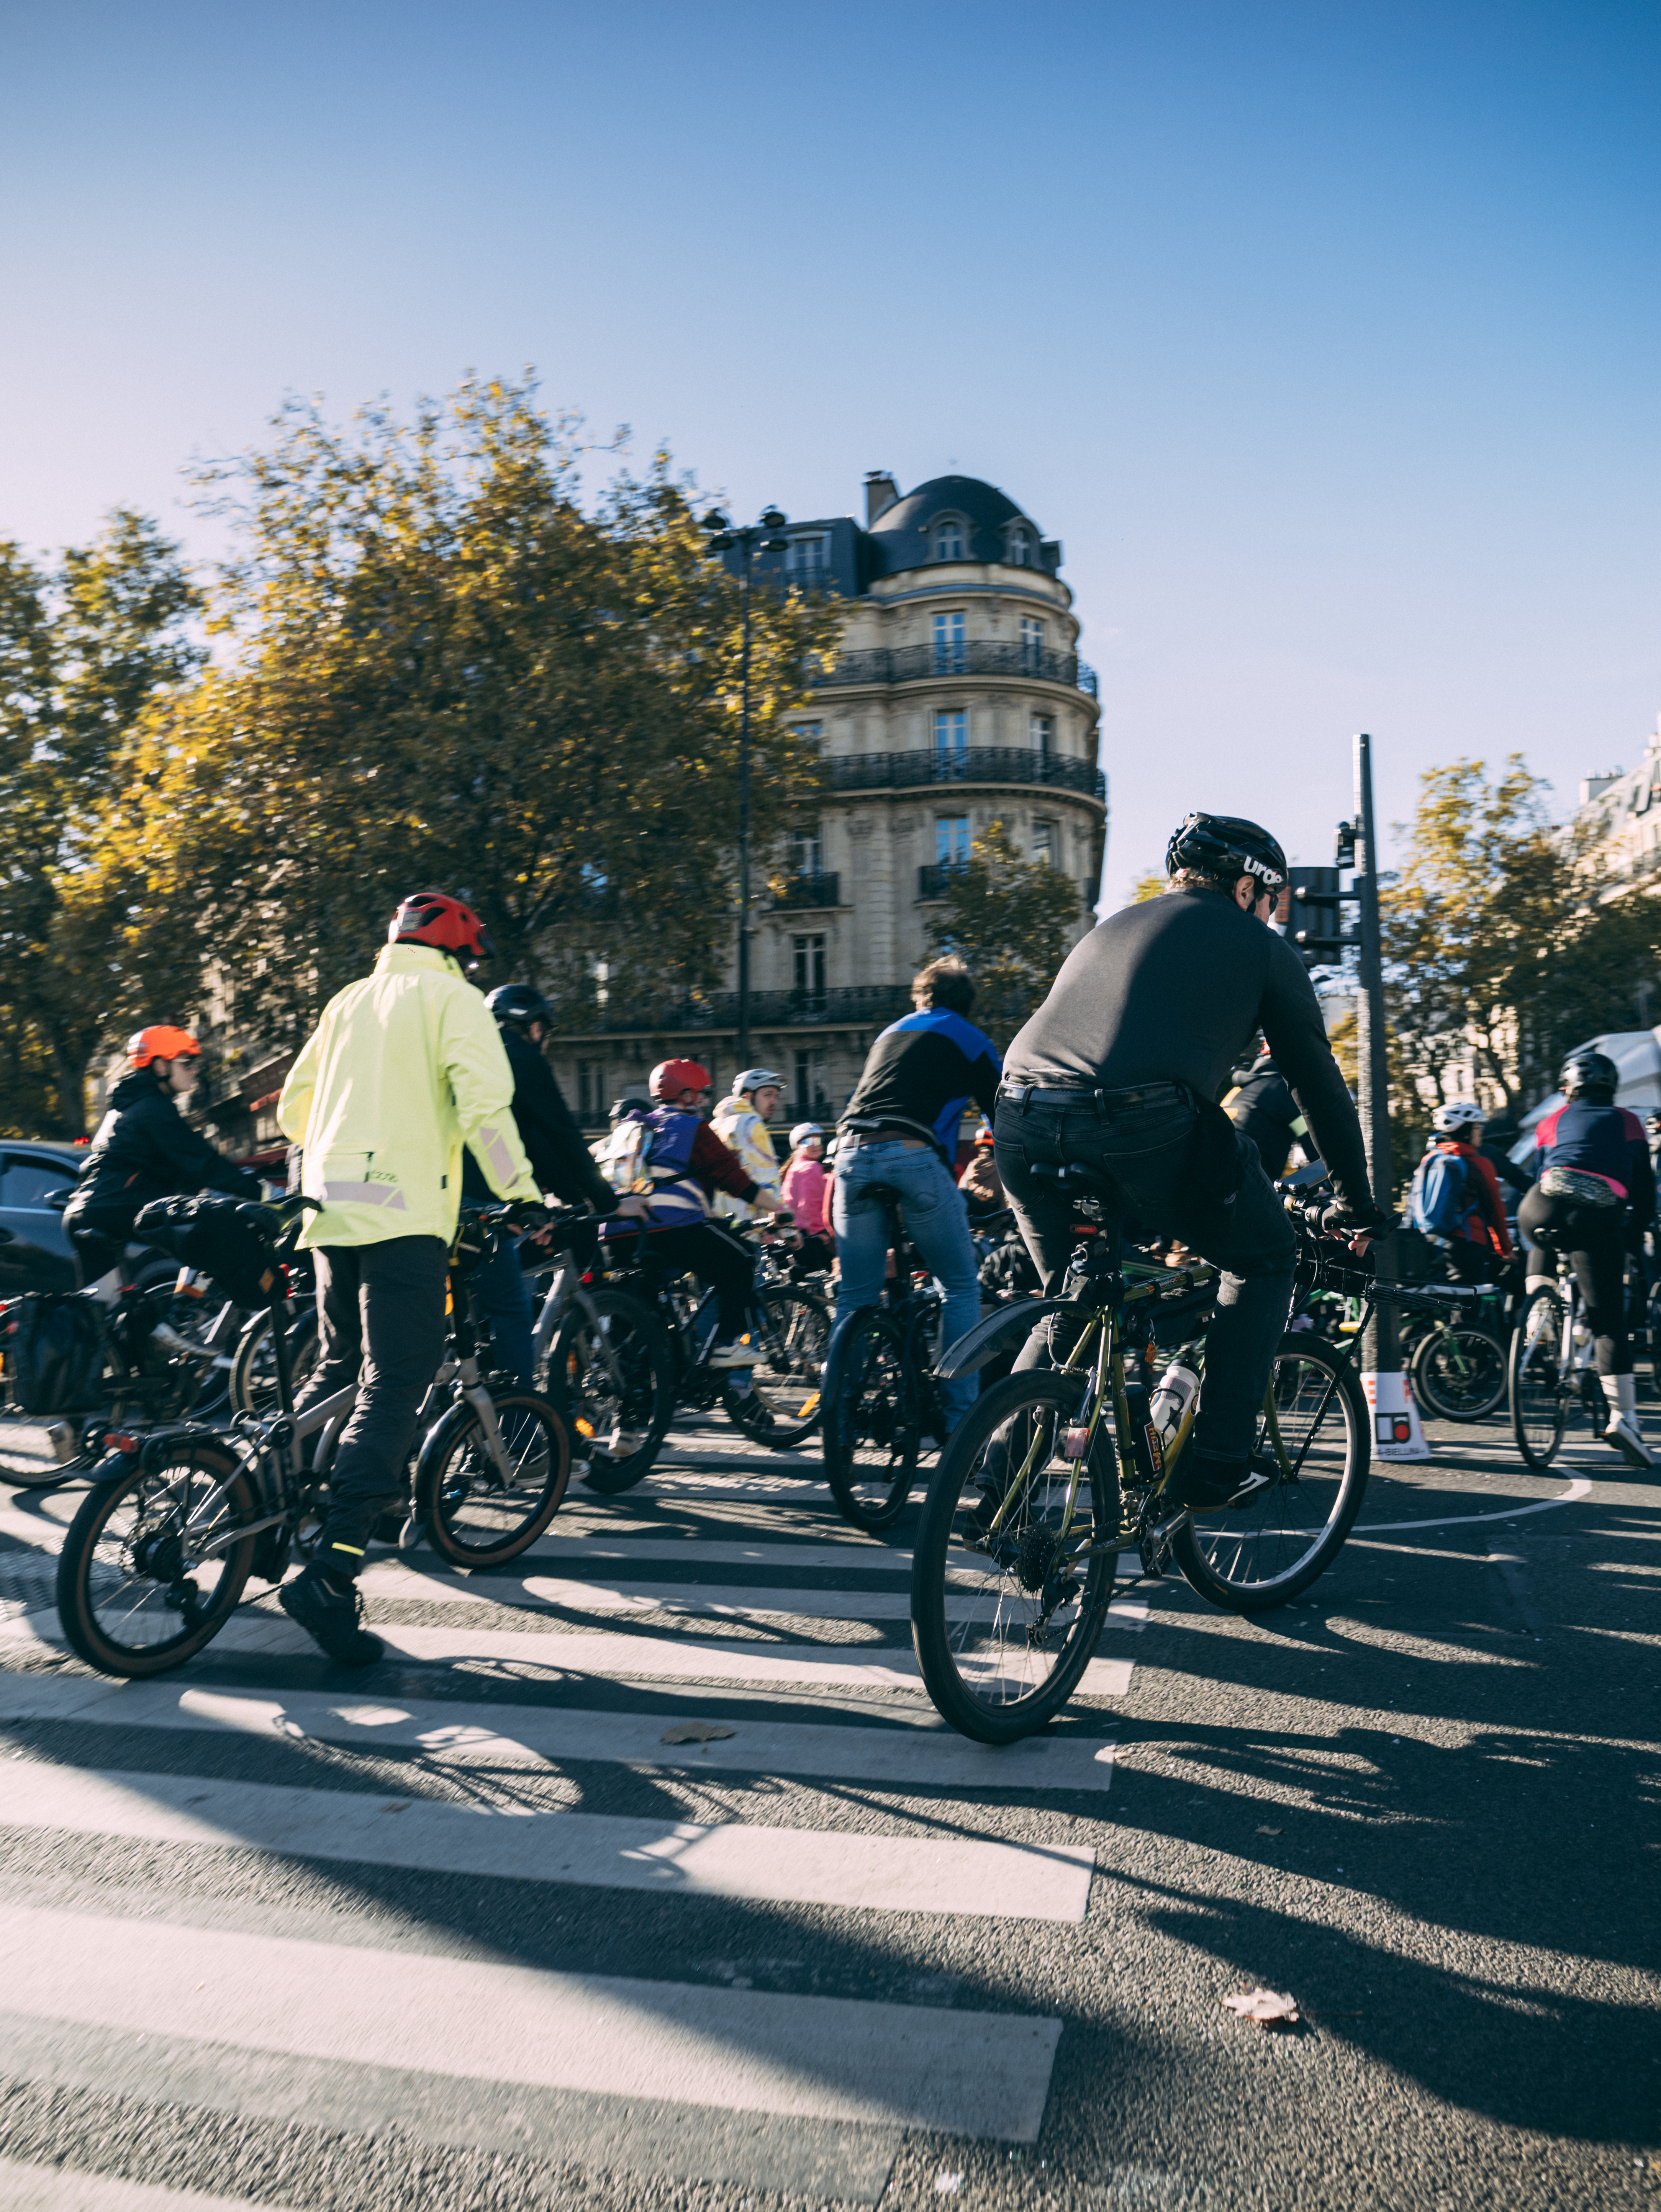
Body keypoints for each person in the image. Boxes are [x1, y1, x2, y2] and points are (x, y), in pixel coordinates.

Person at [995, 811, 1384, 1515]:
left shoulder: (1112, 925)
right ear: (1248, 889)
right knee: (1265, 1260)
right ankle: (1217, 1466)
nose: (1273, 916)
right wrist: (1357, 1203)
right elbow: (1318, 1088)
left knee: (1069, 1302)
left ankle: (993, 1483)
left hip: (1020, 1116)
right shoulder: (1262, 948)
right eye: (1273, 902)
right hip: (1142, 1124)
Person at [274, 891, 546, 1664]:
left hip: (328, 1213)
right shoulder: (454, 1001)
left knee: (335, 1370)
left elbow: (297, 1108)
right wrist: (522, 1194)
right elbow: (487, 1108)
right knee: (397, 1382)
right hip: (402, 1217)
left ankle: (269, 1510)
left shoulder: (347, 1000)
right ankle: (333, 1569)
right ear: (459, 952)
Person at [834, 957, 1002, 1435]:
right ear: (965, 1003)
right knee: (959, 1284)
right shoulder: (968, 1036)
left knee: (856, 1297)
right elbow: (1004, 1113)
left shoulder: (889, 1034)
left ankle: (841, 1412)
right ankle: (960, 1420)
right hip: (912, 1159)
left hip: (848, 1158)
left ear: (921, 996)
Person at [460, 983, 645, 1388]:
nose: (544, 1040)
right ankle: (517, 1433)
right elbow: (561, 1133)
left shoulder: (474, 1055)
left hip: (446, 1195)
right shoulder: (522, 1057)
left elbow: (531, 1145)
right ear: (531, 1026)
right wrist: (608, 1202)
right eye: (544, 1030)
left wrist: (561, 1198)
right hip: (480, 1204)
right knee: (512, 1311)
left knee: (479, 1307)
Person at [1518, 1049, 1657, 1467]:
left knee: (1540, 1238)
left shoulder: (1549, 1121)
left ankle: (1536, 1315)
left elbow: (1547, 1167)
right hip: (1595, 1215)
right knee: (1608, 1322)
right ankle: (1624, 1420)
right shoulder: (1628, 1120)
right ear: (1610, 1088)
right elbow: (1644, 1188)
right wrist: (1633, 1231)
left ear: (1567, 1090)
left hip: (1538, 1206)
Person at [601, 1058, 790, 1363]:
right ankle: (727, 1343)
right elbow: (737, 1182)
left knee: (643, 1307)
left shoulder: (636, 1126)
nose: (704, 1101)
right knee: (742, 1257)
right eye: (701, 1094)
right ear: (686, 1095)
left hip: (619, 1231)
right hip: (671, 1229)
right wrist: (780, 1209)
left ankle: (646, 1375)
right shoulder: (694, 1128)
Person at [64, 1027, 264, 1298]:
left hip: (84, 1213)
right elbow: (203, 1162)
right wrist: (263, 1192)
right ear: (159, 1065)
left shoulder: (127, 1107)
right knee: (218, 1233)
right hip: (116, 1208)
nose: (195, 1070)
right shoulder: (152, 1108)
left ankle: (157, 1322)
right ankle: (195, 1310)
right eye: (187, 1063)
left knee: (101, 1315)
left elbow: (175, 1169)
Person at [1408, 1101, 1514, 1286]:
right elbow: (1495, 1210)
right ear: (1466, 1131)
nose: (1480, 1131)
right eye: (1477, 1127)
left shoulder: (1429, 1159)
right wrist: (1505, 1249)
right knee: (1467, 1303)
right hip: (1467, 1242)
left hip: (1428, 1242)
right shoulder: (1479, 1163)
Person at [1222, 1041, 1309, 1181]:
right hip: (1246, 1185)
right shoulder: (1284, 1092)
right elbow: (1310, 1136)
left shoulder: (1237, 1091)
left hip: (1214, 1180)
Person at [711, 1069, 787, 1225]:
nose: (774, 1102)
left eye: (776, 1096)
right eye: (768, 1095)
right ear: (747, 1096)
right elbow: (768, 1181)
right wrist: (787, 1227)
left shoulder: (716, 1124)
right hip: (750, 1224)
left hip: (721, 1222)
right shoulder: (752, 1123)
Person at [781, 1122, 834, 1268]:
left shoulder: (794, 1168)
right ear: (798, 1146)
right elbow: (809, 1206)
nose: (817, 1145)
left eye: (820, 1141)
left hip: (798, 1236)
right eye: (810, 1141)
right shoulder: (812, 1168)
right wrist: (819, 1232)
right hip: (814, 1238)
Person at [958, 1121, 1006, 1219]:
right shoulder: (1004, 1167)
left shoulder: (971, 1166)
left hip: (976, 1224)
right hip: (1000, 1223)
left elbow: (962, 1189)